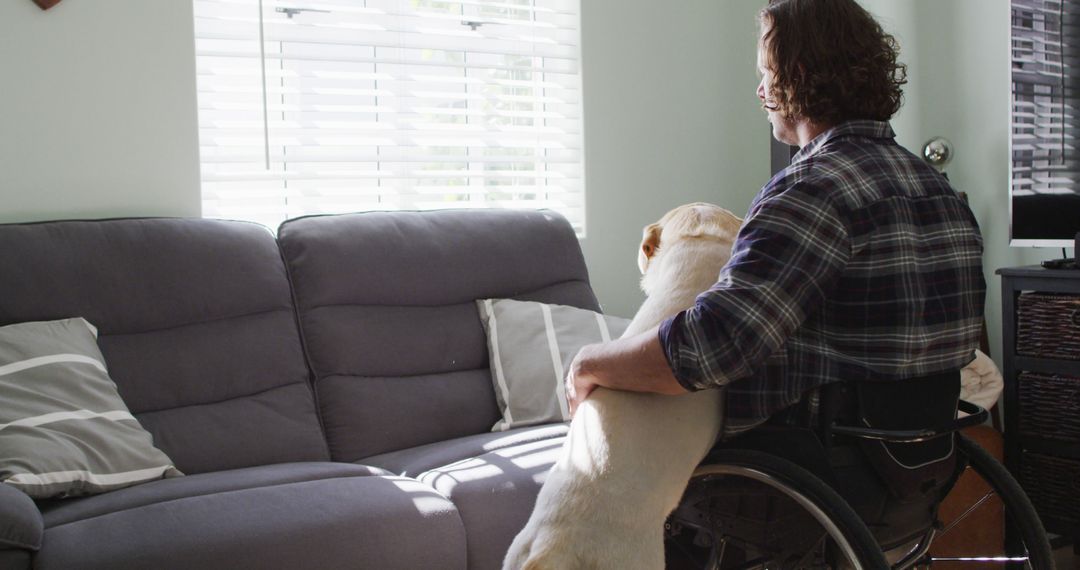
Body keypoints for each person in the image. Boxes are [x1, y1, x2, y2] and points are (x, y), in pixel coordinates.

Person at [566, 0, 986, 440]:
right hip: (922, 460)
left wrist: (592, 360)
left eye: (765, 76)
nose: (760, 93)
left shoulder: (810, 191)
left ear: (796, 74)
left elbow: (716, 345)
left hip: (817, 459)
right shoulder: (938, 188)